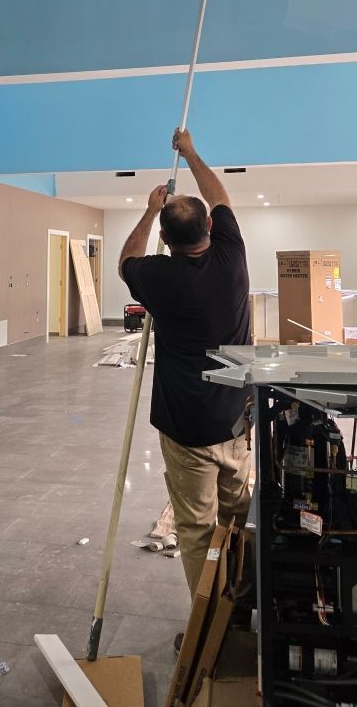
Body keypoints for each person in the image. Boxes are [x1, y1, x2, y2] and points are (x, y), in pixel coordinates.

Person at [119, 128, 252, 603]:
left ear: (165, 239)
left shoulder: (158, 276)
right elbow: (221, 198)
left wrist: (150, 209)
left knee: (196, 529)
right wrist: (192, 153)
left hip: (187, 427)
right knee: (238, 516)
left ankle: (206, 628)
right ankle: (241, 603)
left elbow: (126, 260)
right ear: (211, 230)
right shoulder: (233, 258)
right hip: (235, 419)